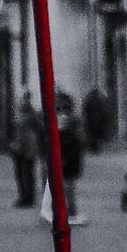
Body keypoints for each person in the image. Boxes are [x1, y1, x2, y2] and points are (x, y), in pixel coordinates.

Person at [56, 93, 87, 225]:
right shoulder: (72, 130)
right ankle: (67, 213)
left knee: (67, 188)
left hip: (67, 161)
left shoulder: (69, 134)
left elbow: (73, 147)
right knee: (67, 188)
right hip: (69, 161)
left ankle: (70, 213)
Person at [9, 100, 42, 208]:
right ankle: (26, 197)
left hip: (24, 150)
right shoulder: (28, 122)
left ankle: (27, 197)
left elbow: (20, 137)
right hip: (24, 150)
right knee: (26, 175)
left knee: (25, 175)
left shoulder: (24, 121)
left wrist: (15, 145)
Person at [81, 88, 110, 154]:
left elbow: (85, 110)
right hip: (97, 120)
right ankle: (95, 148)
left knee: (92, 135)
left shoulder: (89, 100)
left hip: (91, 120)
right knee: (96, 135)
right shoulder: (99, 101)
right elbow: (103, 111)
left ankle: (93, 148)